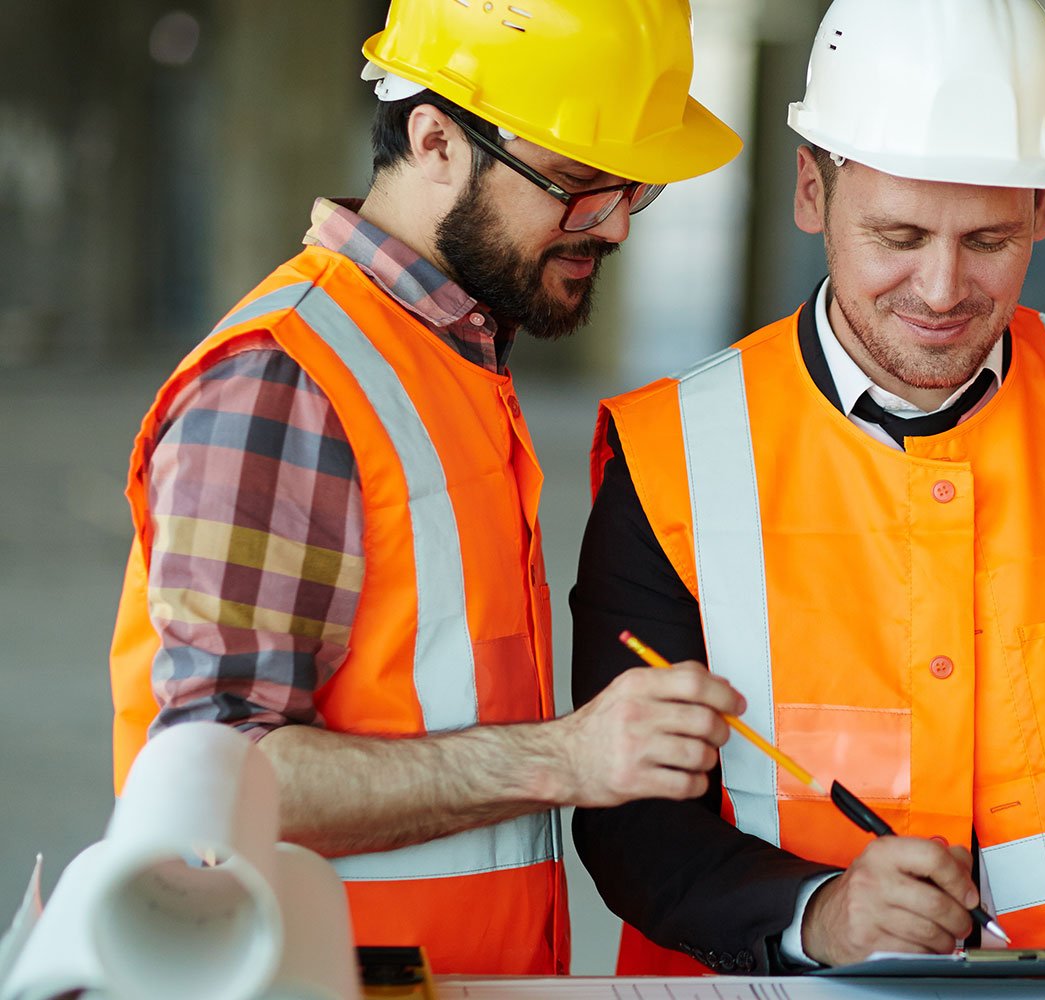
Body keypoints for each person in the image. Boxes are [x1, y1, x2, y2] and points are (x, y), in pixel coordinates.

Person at [567, 0, 1045, 994]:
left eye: (986, 238)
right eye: (897, 234)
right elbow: (628, 813)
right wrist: (818, 912)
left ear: (1043, 209)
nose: (941, 288)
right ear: (811, 190)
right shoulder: (669, 454)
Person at [106, 0, 746, 975]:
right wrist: (564, 757)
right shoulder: (287, 379)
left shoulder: (451, 362)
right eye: (576, 183)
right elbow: (214, 775)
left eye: (633, 189)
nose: (612, 225)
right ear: (435, 138)